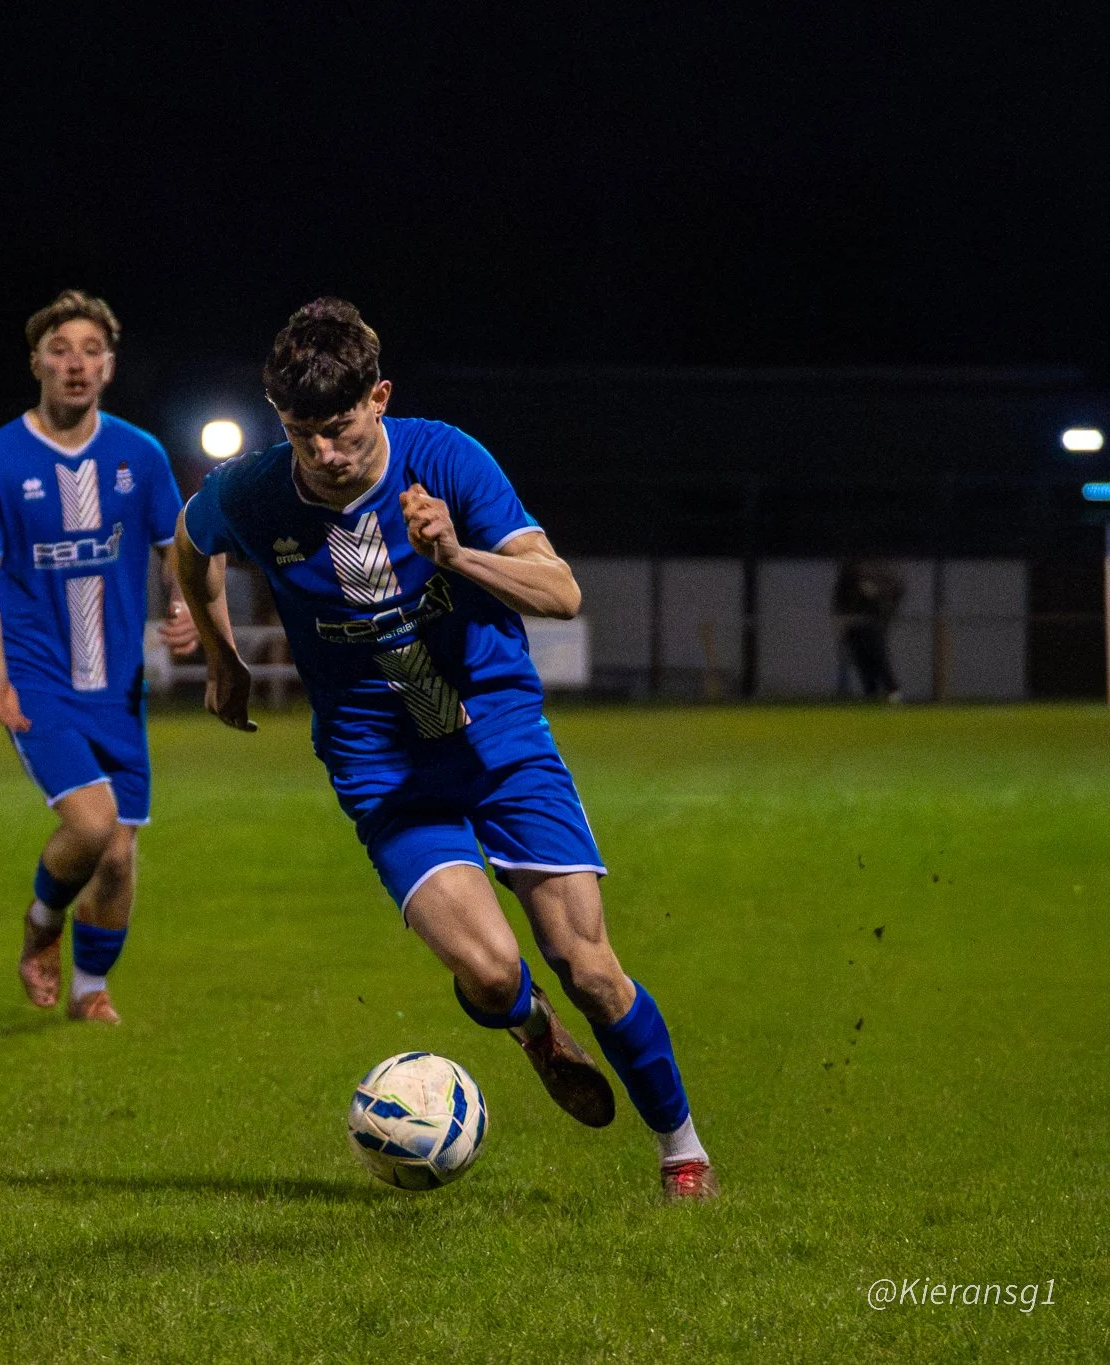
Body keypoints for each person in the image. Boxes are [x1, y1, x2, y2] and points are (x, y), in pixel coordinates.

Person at [173, 301, 716, 1200]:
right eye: (305, 435)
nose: (326, 455)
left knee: (588, 964)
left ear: (379, 398)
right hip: (379, 759)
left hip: (496, 734)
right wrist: (223, 656)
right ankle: (531, 1030)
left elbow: (562, 591)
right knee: (492, 967)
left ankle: (681, 1150)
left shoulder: (447, 459)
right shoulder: (255, 491)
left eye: (342, 431)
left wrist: (457, 555)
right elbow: (191, 549)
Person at [0, 291, 198, 1023]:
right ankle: (41, 924)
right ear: (37, 360)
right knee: (92, 827)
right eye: (62, 348)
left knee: (120, 858)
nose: (76, 363)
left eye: (92, 350)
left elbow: (176, 551)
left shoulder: (141, 454)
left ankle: (90, 991)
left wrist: (184, 610)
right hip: (37, 681)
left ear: (111, 365)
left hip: (118, 687)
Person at [834, 558, 904, 701]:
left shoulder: (877, 570)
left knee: (878, 657)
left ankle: (892, 690)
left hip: (870, 622)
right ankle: (871, 692)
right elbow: (840, 597)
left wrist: (882, 606)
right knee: (861, 660)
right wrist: (841, 617)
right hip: (853, 621)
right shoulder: (848, 573)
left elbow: (895, 591)